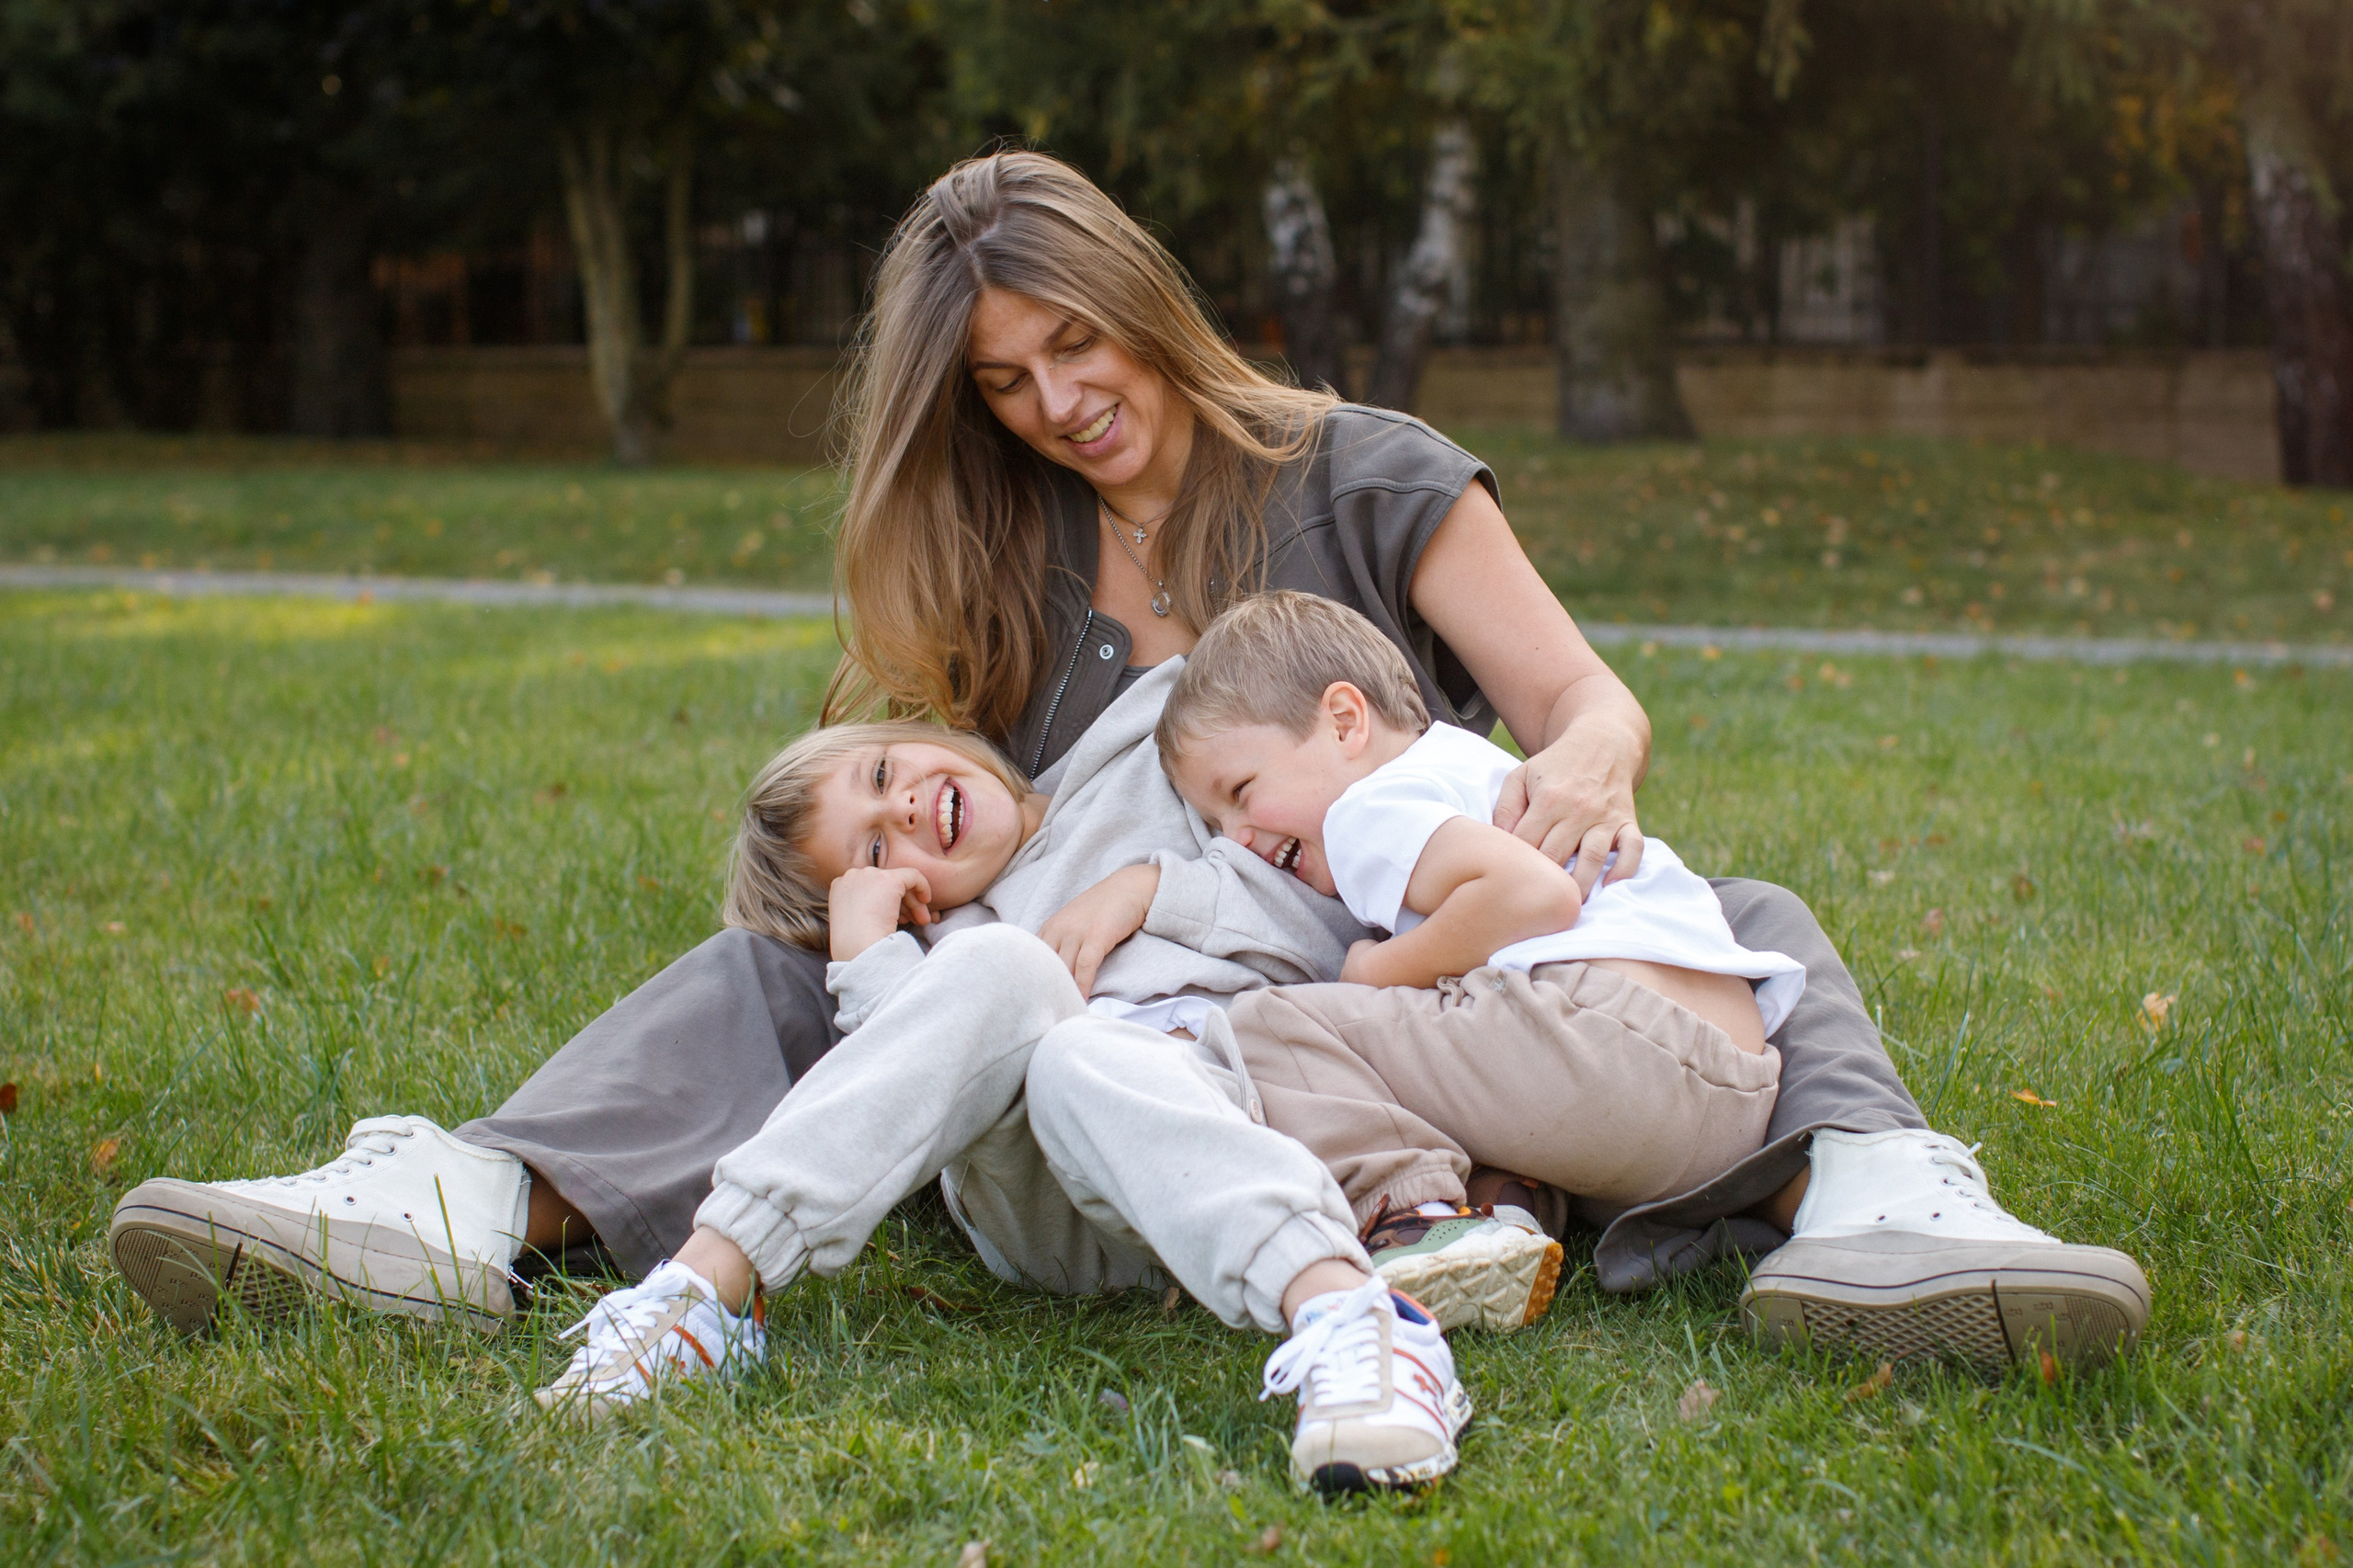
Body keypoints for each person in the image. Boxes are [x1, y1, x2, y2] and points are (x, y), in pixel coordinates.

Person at [109, 148, 2149, 1382]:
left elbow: (1584, 704)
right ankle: (463, 1199)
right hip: (1110, 1020)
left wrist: (1582, 781)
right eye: (1004, 385)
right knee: (773, 970)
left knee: (1742, 919)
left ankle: (1882, 1206)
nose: (1060, 402)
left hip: (1367, 990)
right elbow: (924, 838)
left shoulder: (1360, 472)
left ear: (1140, 300)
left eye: (1074, 344)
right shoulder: (995, 561)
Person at [530, 671, 1478, 1493]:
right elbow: (902, 1110)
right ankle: (702, 1295)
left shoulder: (1153, 742)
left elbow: (1322, 910)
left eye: (880, 772)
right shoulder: (951, 941)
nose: (899, 808)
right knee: (1005, 969)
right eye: (870, 852)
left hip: (1220, 1118)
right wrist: (869, 956)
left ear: (919, 735)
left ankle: (1360, 1327)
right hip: (1051, 1206)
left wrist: (1150, 887)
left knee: (1084, 1051)